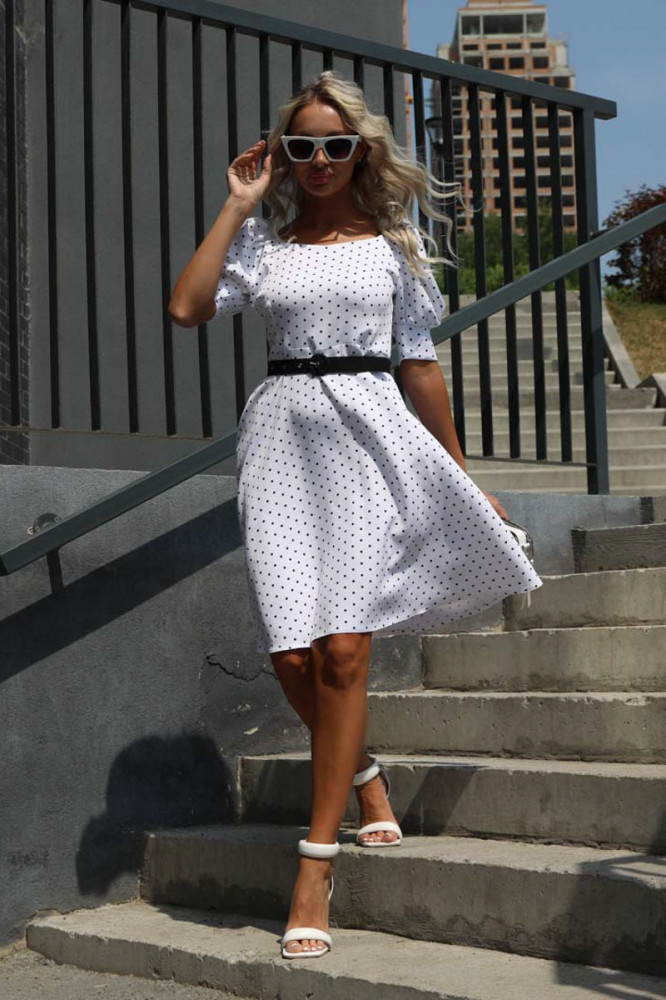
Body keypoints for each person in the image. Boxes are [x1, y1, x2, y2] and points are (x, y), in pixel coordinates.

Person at [169, 70, 543, 960]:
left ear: (360, 150)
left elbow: (419, 365)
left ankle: (316, 863)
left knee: (343, 651)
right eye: (302, 144)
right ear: (282, 154)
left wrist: (460, 475)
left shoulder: (394, 246)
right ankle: (366, 773)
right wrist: (237, 204)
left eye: (336, 144)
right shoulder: (264, 242)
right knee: (292, 657)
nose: (320, 158)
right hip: (281, 442)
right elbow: (186, 307)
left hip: (369, 438)